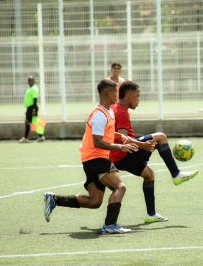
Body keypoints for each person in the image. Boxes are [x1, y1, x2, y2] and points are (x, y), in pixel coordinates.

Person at [43, 79, 138, 235]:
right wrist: (120, 146)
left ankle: (54, 199)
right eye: (116, 92)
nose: (117, 95)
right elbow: (97, 141)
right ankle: (110, 225)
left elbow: (105, 133)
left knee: (95, 201)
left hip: (91, 159)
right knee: (120, 187)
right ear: (108, 93)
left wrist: (121, 138)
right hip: (96, 158)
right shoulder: (99, 115)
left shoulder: (109, 111)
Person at [109, 81, 199, 224]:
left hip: (117, 158)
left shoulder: (114, 108)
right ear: (130, 95)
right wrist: (142, 145)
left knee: (149, 175)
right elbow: (123, 139)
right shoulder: (121, 112)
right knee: (161, 137)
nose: (139, 100)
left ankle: (151, 214)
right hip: (123, 154)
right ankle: (176, 174)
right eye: (138, 96)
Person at [19, 76, 44, 143]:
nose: (29, 82)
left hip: (32, 107)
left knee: (28, 122)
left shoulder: (34, 89)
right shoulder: (31, 88)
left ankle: (25, 138)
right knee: (35, 122)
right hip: (30, 108)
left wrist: (33, 110)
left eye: (30, 80)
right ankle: (41, 137)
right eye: (28, 80)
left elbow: (35, 100)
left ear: (33, 81)